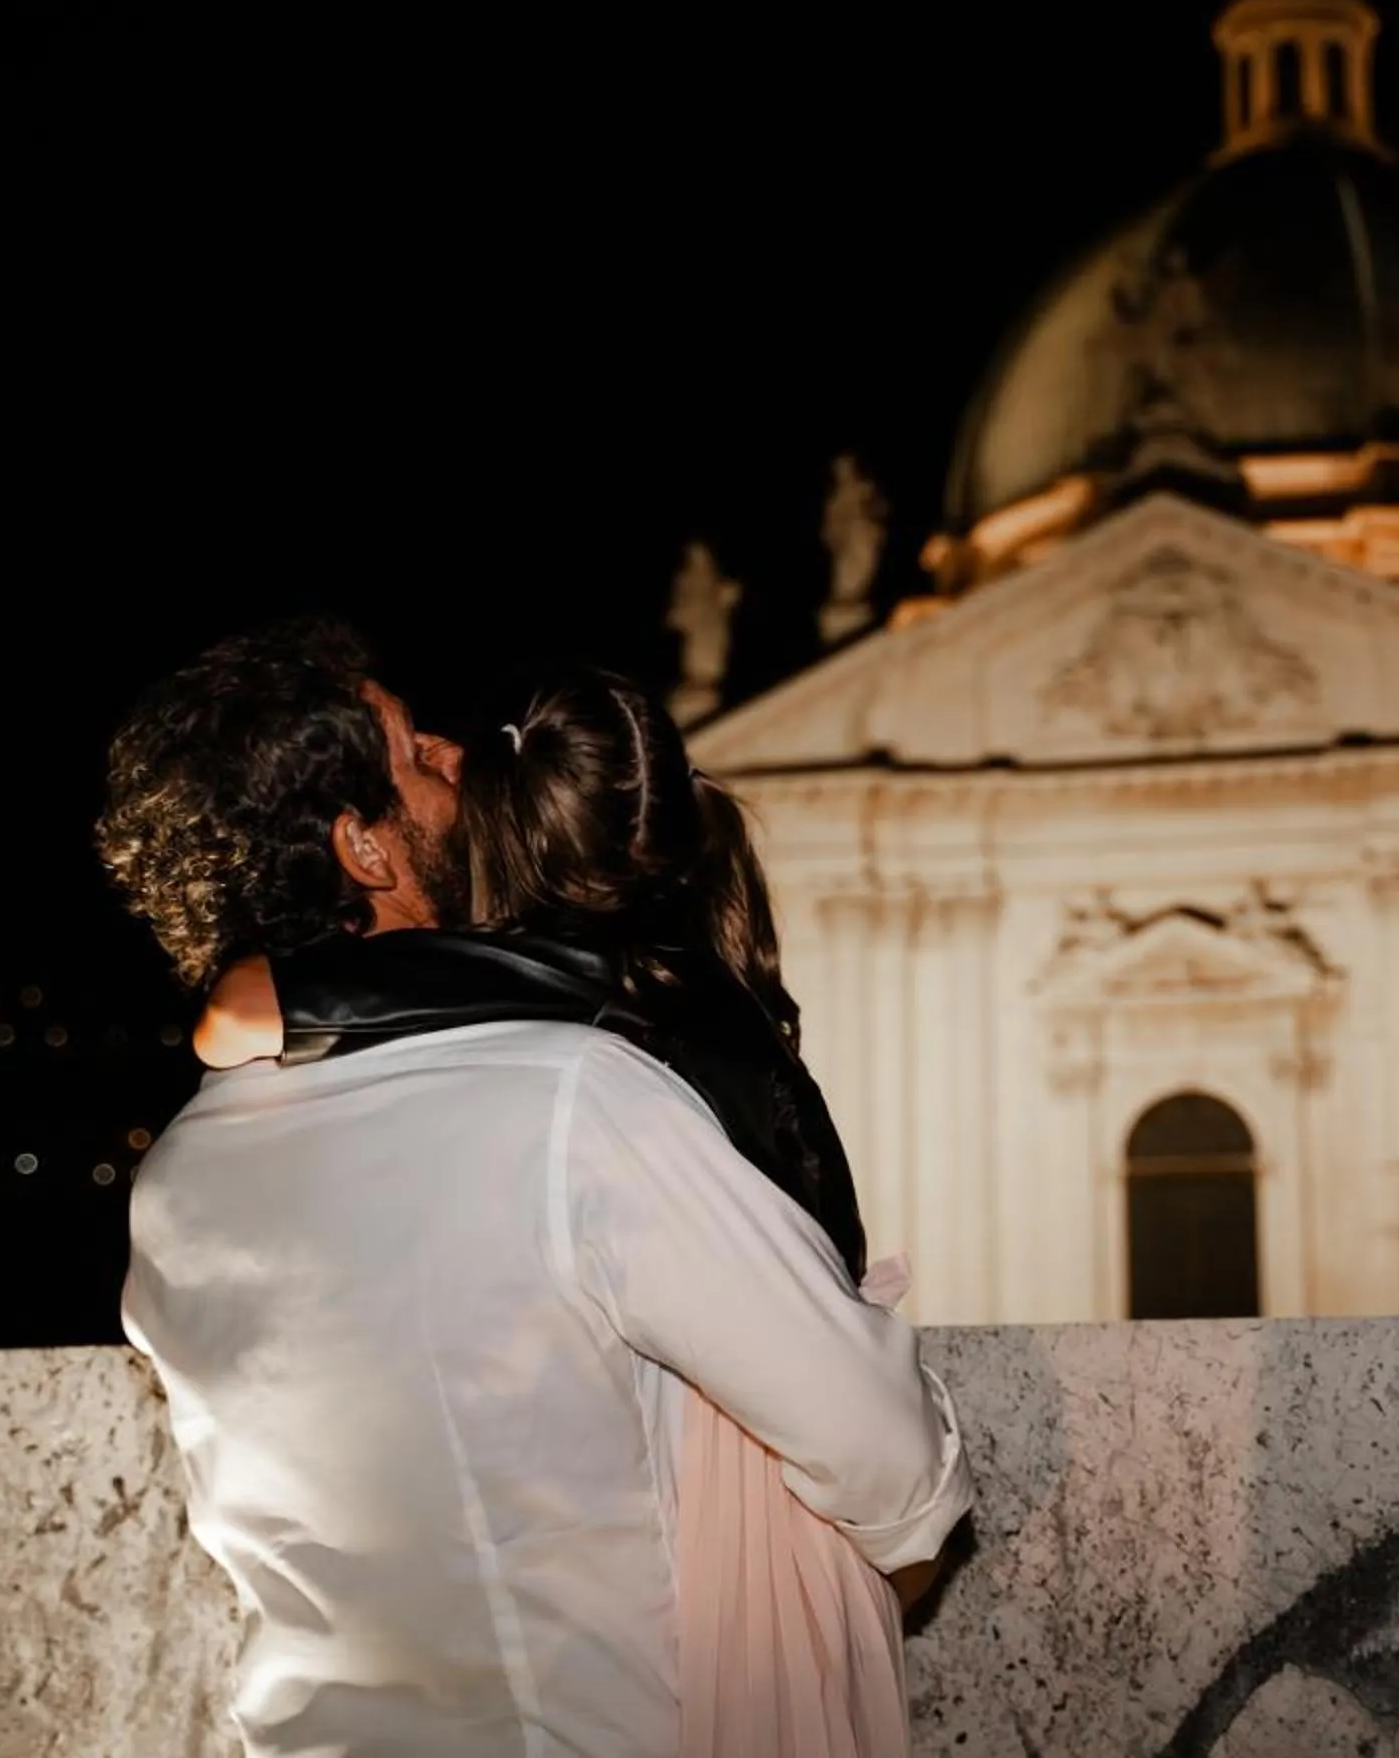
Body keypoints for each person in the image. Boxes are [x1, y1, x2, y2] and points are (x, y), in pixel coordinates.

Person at [98, 622, 969, 1757]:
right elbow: (892, 1462)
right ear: (364, 847)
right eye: (418, 752)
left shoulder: (173, 1184)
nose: (458, 755)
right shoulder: (573, 1100)